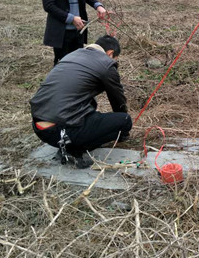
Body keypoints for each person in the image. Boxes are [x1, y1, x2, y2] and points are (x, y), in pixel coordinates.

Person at [30, 35, 132, 168]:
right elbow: (118, 101)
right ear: (110, 53)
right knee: (124, 121)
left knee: (91, 104)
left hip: (39, 127)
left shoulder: (72, 56)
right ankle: (73, 149)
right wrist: (123, 130)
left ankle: (69, 142)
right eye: (115, 57)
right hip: (61, 131)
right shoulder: (106, 64)